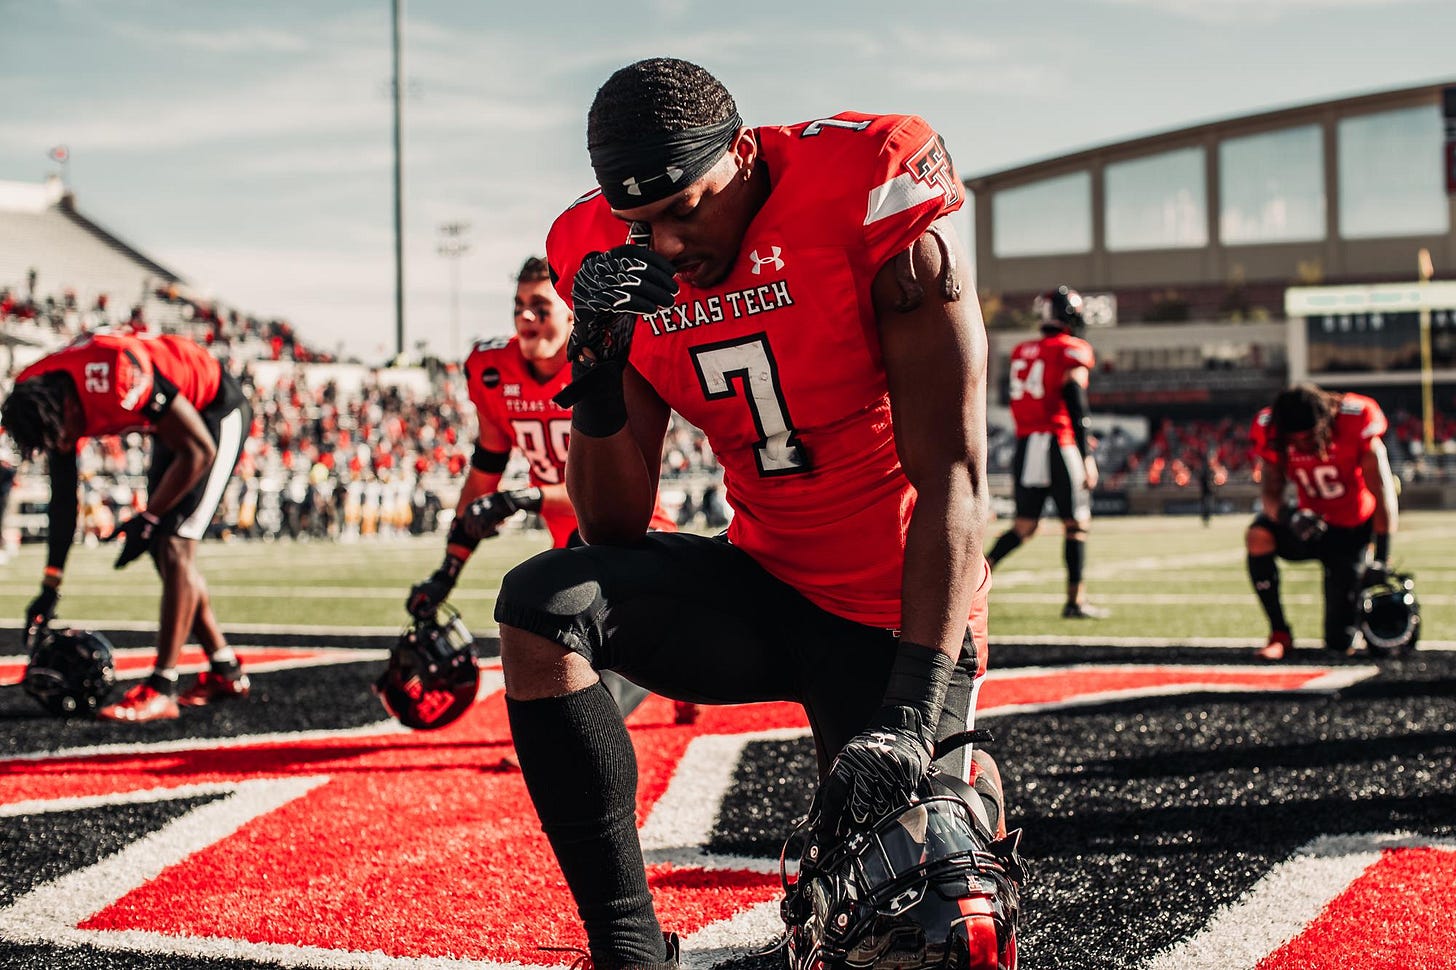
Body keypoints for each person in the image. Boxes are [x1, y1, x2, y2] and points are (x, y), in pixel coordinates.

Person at [492, 57, 1010, 968]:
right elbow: (612, 528)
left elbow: (956, 479)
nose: (664, 246)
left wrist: (913, 710)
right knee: (544, 605)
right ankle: (628, 948)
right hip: (765, 581)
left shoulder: (865, 184)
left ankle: (961, 775)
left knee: (930, 921)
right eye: (638, 223)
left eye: (686, 209)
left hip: (898, 611)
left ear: (739, 154)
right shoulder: (600, 253)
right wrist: (600, 370)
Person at [406, 256, 695, 723]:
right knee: (554, 623)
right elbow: (484, 471)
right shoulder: (492, 368)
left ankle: (664, 662)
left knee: (597, 665)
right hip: (570, 537)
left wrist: (529, 496)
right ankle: (673, 659)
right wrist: (447, 571)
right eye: (518, 305)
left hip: (631, 526)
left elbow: (613, 483)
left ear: (571, 314)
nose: (525, 317)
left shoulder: (603, 361)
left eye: (539, 306)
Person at [0, 331, 252, 722]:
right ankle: (226, 670)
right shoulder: (36, 393)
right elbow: (64, 497)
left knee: (172, 543)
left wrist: (149, 518)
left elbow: (200, 449)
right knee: (162, 547)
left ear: (66, 406)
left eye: (64, 434)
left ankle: (162, 688)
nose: (66, 443)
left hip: (214, 409)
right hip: (170, 422)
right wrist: (51, 584)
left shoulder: (116, 375)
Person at [1247, 382, 1398, 660]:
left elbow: (1383, 492)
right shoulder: (1271, 429)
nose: (1301, 445)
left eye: (1307, 437)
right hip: (1308, 526)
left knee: (1339, 641)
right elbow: (1269, 493)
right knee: (1258, 535)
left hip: (1351, 530)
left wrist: (1382, 558)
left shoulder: (1356, 418)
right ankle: (1279, 633)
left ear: (1325, 421)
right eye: (1294, 440)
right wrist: (1289, 516)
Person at [985, 285, 1107, 618]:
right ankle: (1075, 601)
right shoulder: (1071, 350)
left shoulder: (1023, 350)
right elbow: (1077, 407)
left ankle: (974, 580)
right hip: (1059, 442)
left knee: (1024, 525)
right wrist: (1086, 456)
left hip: (1026, 444)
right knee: (1077, 525)